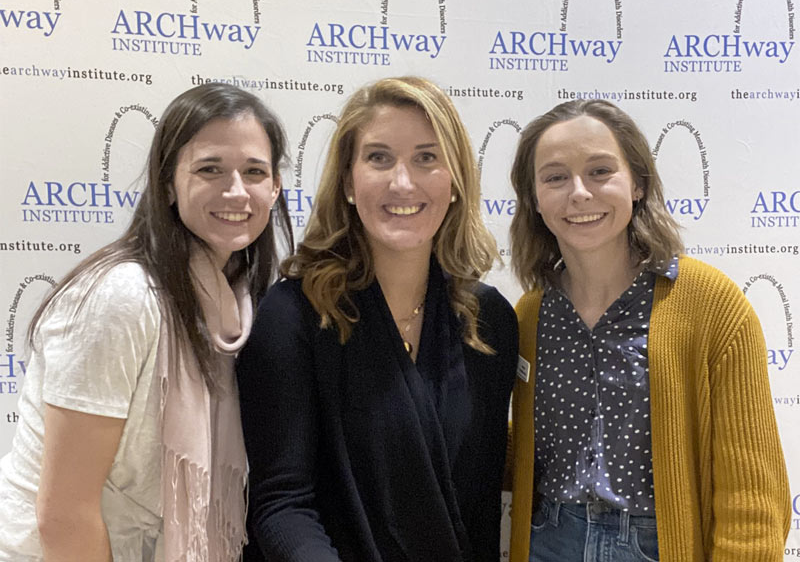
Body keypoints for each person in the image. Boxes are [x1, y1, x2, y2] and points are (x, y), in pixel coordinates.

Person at [0, 82, 293, 562]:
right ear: (167, 185)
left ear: (275, 187)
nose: (236, 190)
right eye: (210, 169)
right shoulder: (123, 298)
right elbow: (63, 514)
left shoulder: (239, 302)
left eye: (254, 171)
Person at [237, 76, 518, 562]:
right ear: (348, 181)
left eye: (426, 158)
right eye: (379, 157)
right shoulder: (294, 315)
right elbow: (281, 503)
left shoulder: (488, 320)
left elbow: (478, 508)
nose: (402, 182)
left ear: (455, 181)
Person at [505, 99, 790, 562]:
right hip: (548, 541)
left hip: (658, 546)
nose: (579, 192)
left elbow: (751, 493)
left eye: (600, 171)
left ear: (637, 184)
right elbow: (528, 455)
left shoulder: (709, 305)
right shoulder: (529, 316)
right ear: (535, 199)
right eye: (555, 177)